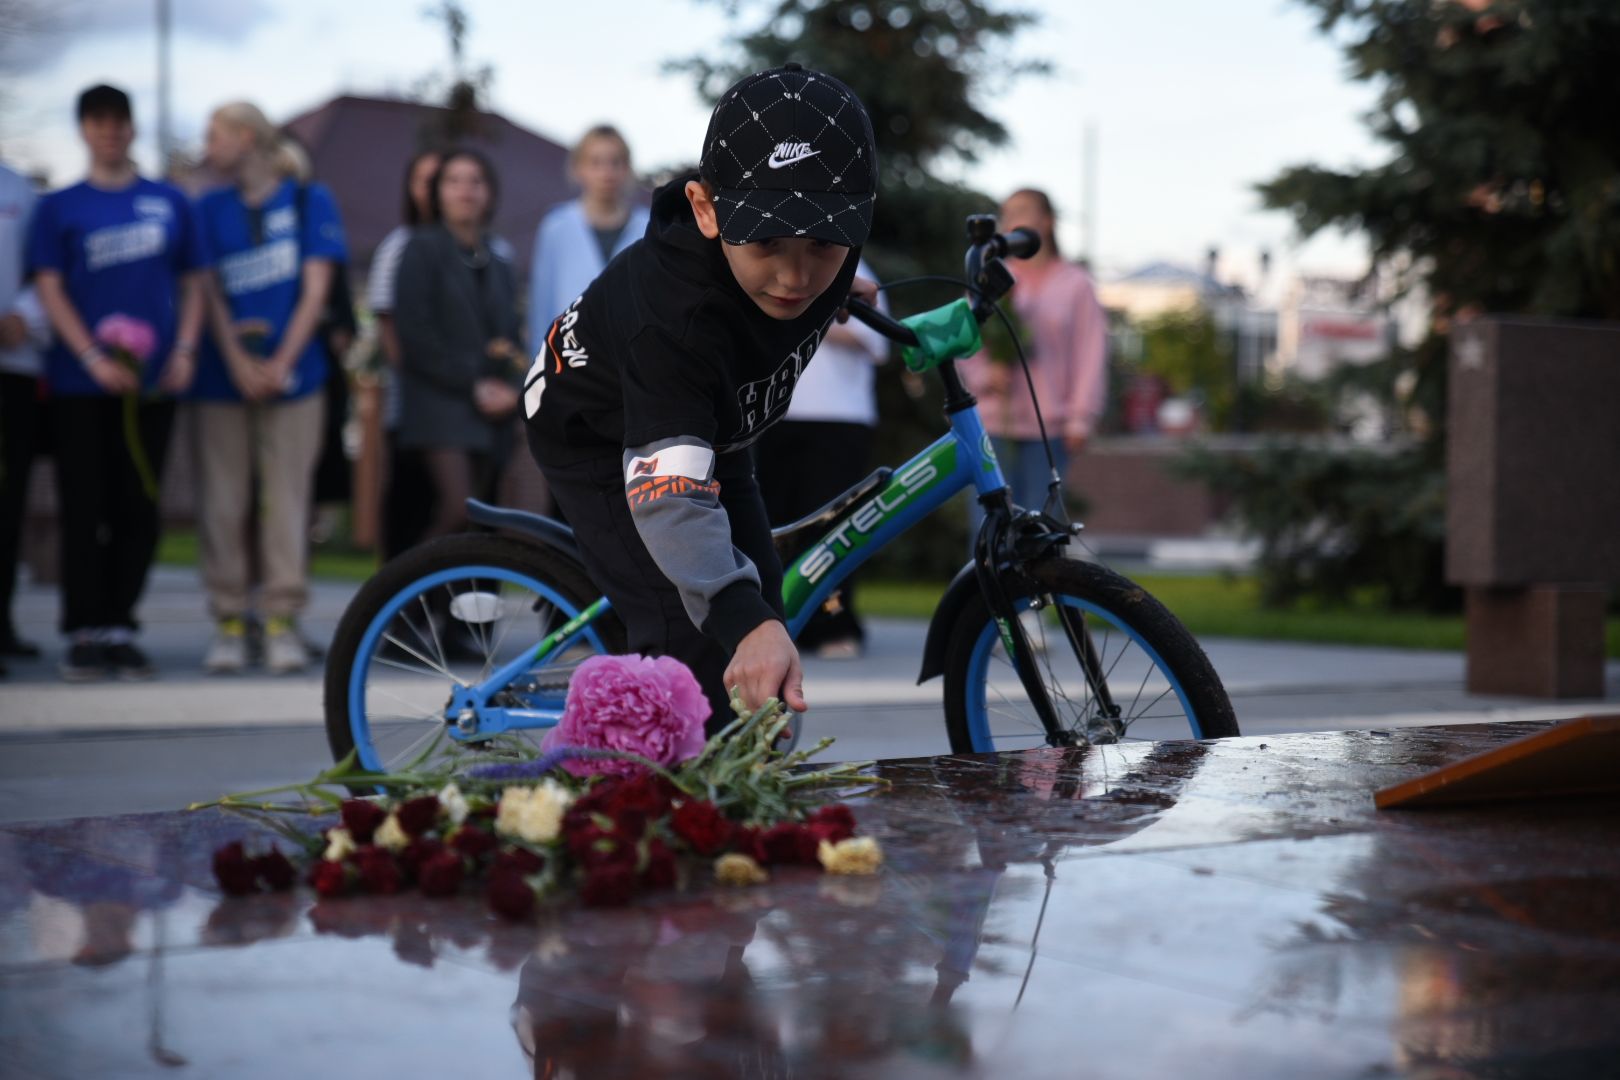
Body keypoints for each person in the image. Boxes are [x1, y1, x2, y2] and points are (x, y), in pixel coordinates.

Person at [522, 63, 879, 727]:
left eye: (824, 243)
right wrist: (740, 622)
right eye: (766, 241)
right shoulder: (674, 323)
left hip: (715, 427)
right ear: (706, 209)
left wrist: (845, 295)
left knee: (760, 602)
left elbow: (811, 268)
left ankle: (750, 771)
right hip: (598, 429)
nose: (796, 276)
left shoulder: (830, 260)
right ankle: (657, 781)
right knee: (689, 624)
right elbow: (672, 499)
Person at [27, 85, 208, 682]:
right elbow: (49, 286)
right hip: (79, 385)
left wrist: (185, 349)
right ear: (84, 130)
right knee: (85, 506)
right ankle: (84, 631)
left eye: (119, 121)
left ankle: (120, 627)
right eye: (98, 121)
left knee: (140, 505)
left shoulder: (168, 202)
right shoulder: (60, 207)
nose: (110, 131)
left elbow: (195, 282)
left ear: (132, 129)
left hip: (152, 386)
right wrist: (89, 355)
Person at [191, 101, 347, 675]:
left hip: (297, 378)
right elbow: (205, 289)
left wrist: (281, 361)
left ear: (245, 136)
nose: (207, 144)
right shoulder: (208, 207)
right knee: (223, 502)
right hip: (220, 378)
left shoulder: (309, 198)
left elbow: (316, 291)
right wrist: (236, 360)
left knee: (288, 501)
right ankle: (230, 621)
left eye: (214, 133)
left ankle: (282, 618)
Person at [754, 257, 887, 659]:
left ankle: (833, 623)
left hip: (839, 418)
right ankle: (776, 621)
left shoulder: (856, 268)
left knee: (834, 527)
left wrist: (810, 316)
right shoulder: (771, 260)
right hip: (773, 415)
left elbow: (876, 342)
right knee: (772, 524)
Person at [393, 148, 524, 543]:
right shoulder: (420, 247)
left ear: (490, 192)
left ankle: (460, 588)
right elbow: (414, 333)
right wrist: (473, 383)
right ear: (437, 192)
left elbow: (511, 337)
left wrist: (511, 388)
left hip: (492, 411)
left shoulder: (499, 261)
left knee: (484, 519)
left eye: (475, 181)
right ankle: (409, 581)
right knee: (457, 508)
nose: (466, 190)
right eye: (454, 181)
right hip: (439, 404)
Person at [960, 188, 1107, 521]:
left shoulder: (1076, 284)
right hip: (993, 423)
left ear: (1047, 221)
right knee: (990, 526)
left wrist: (1081, 416)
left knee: (1040, 527)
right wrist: (985, 375)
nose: (1012, 219)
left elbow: (1090, 353)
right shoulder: (991, 276)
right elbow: (966, 339)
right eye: (1007, 212)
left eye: (1023, 210)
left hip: (1048, 425)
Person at [368, 148, 441, 558]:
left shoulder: (488, 249)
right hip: (411, 405)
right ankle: (400, 587)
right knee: (408, 501)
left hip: (466, 411)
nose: (433, 190)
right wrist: (421, 381)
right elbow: (386, 325)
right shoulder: (398, 247)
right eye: (423, 181)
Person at [527, 125, 649, 356]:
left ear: (627, 168)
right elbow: (541, 303)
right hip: (569, 359)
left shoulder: (648, 227)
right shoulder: (556, 226)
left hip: (634, 358)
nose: (606, 172)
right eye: (596, 162)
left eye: (615, 162)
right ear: (578, 169)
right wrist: (539, 362)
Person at [0, 159, 51, 675]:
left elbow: (45, 269)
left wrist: (24, 316)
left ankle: (3, 621)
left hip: (13, 366)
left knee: (8, 500)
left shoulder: (19, 190)